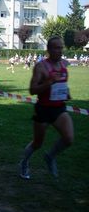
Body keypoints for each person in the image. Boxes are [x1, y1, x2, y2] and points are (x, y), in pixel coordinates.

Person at [19, 36, 73, 179]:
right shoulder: (41, 67)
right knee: (37, 143)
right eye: (56, 48)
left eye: (61, 47)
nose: (60, 50)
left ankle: (50, 157)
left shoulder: (64, 65)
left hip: (59, 107)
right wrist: (48, 83)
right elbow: (32, 90)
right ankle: (24, 163)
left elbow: (62, 85)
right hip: (43, 109)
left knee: (68, 138)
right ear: (48, 49)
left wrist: (66, 92)